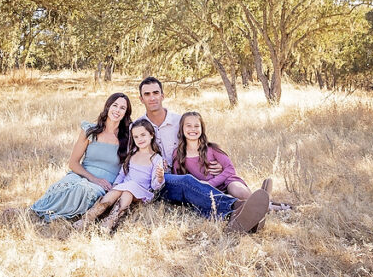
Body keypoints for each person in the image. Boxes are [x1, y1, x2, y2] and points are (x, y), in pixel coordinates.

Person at [136, 76, 270, 232]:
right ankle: (238, 206)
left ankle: (243, 216)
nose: (152, 98)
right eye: (147, 94)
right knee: (187, 182)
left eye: (155, 93)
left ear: (162, 95)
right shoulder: (138, 126)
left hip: (180, 179)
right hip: (159, 179)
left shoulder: (180, 121)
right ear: (141, 98)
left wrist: (214, 162)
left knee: (193, 198)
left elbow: (197, 141)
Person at [30, 93, 131, 222]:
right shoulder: (90, 131)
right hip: (82, 175)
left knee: (84, 190)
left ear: (126, 113)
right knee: (64, 187)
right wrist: (94, 179)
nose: (117, 110)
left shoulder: (128, 137)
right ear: (107, 107)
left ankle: (60, 218)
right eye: (115, 105)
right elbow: (73, 163)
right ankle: (37, 212)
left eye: (122, 108)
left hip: (105, 183)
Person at [75, 118, 166, 232]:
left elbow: (155, 186)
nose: (140, 139)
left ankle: (111, 220)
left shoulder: (156, 158)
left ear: (151, 135)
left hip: (141, 192)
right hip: (125, 187)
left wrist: (160, 177)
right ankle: (88, 217)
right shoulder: (132, 153)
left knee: (128, 190)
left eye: (143, 135)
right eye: (136, 137)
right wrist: (116, 184)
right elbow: (122, 173)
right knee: (117, 191)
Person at [172, 111, 252, 200]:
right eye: (188, 125)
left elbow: (230, 169)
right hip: (204, 191)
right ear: (182, 129)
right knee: (224, 201)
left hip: (226, 182)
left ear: (202, 129)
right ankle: (243, 205)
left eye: (197, 126)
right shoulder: (178, 153)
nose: (193, 129)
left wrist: (210, 183)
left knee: (240, 192)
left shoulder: (212, 148)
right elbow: (178, 179)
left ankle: (264, 203)